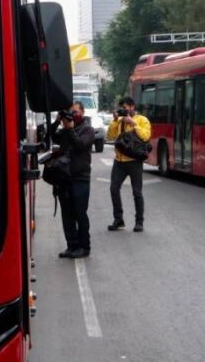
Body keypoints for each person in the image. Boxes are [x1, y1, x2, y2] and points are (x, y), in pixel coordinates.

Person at [49, 101, 95, 258]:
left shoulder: (88, 129)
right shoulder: (65, 130)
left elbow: (80, 146)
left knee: (80, 213)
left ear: (82, 112)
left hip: (80, 178)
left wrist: (69, 129)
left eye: (75, 111)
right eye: (70, 112)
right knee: (67, 214)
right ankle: (71, 245)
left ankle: (84, 247)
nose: (72, 114)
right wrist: (57, 121)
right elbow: (50, 137)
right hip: (64, 178)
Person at [105, 96, 151, 232]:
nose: (124, 111)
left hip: (134, 162)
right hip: (119, 161)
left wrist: (133, 123)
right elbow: (110, 135)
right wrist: (114, 121)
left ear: (132, 107)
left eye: (125, 108)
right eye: (122, 108)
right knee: (114, 189)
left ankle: (139, 222)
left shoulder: (142, 120)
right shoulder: (119, 121)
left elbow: (146, 136)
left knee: (137, 192)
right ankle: (118, 220)